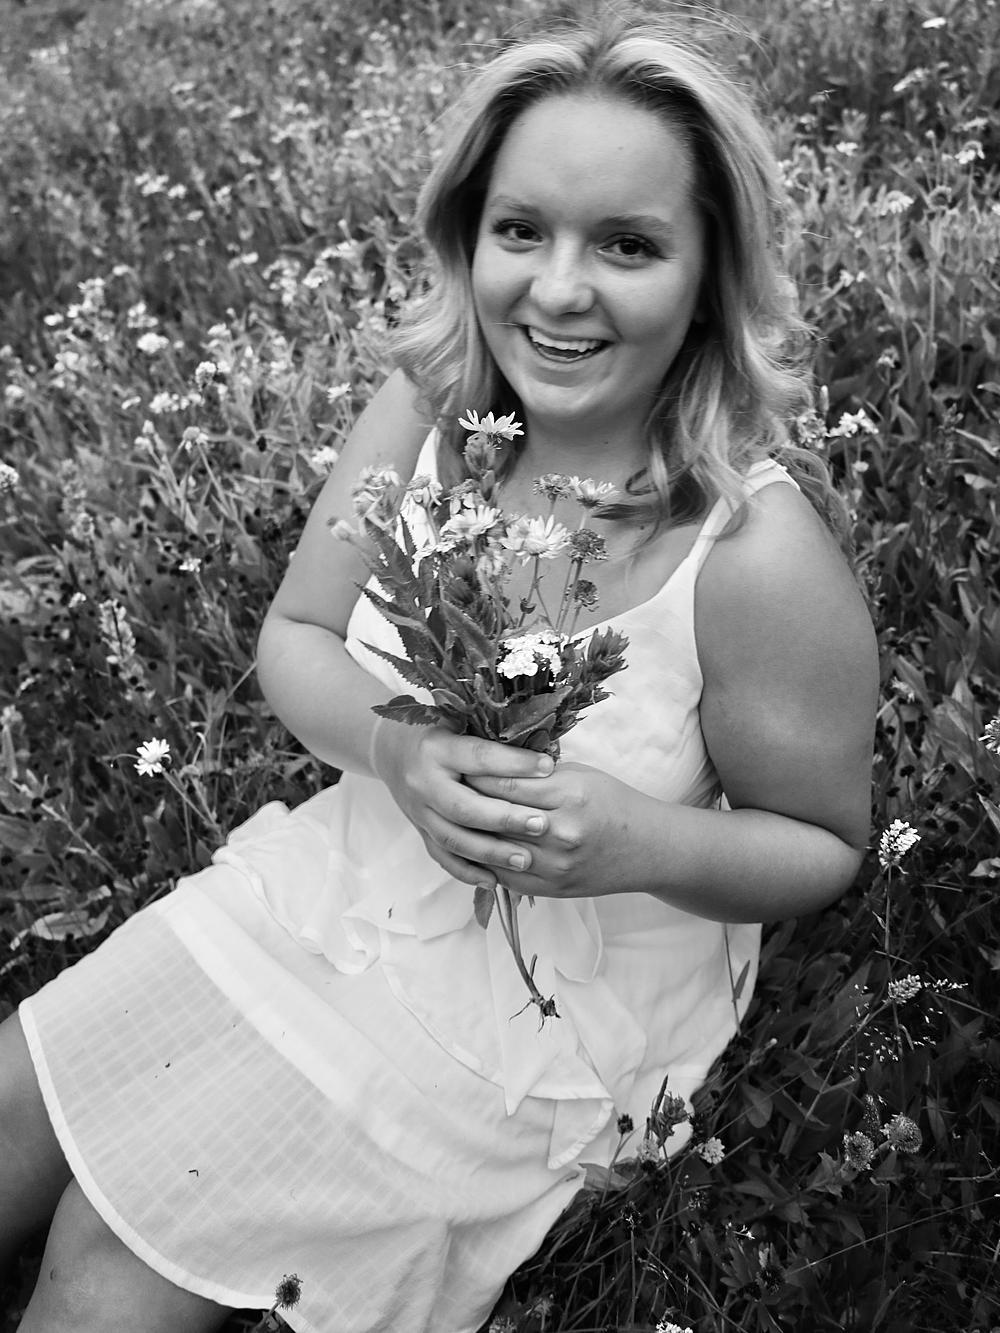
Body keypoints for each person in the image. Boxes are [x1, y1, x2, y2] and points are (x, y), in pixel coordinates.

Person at [0, 6, 878, 1331]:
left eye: (629, 245)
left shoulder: (752, 553)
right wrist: (398, 751)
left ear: (711, 274)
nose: (559, 289)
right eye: (522, 230)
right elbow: (298, 639)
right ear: (470, 235)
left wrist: (632, 839)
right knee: (21, 1104)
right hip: (347, 877)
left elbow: (823, 845)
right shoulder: (433, 409)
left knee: (106, 1263)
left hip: (543, 1014)